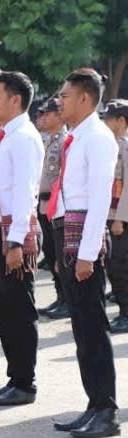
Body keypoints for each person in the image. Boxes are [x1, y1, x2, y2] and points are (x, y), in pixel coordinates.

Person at [48, 68, 120, 438]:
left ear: (85, 99)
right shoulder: (75, 137)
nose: (59, 101)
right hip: (68, 235)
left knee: (93, 326)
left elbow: (97, 201)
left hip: (83, 238)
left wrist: (88, 253)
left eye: (64, 95)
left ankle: (106, 411)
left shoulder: (98, 138)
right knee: (81, 327)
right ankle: (93, 403)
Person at [0, 70, 43, 406]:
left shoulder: (24, 137)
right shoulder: (6, 136)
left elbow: (24, 194)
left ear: (16, 100)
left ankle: (25, 384)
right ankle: (14, 378)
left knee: (18, 310)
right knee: (3, 310)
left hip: (12, 234)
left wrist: (16, 242)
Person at [36, 98, 70, 319]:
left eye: (48, 114)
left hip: (58, 205)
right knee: (50, 252)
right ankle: (60, 296)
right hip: (43, 204)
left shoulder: (64, 140)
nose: (44, 118)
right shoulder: (46, 140)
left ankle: (67, 300)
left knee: (60, 255)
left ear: (59, 115)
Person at [101, 99, 128, 333]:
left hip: (122, 219)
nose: (105, 122)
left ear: (121, 120)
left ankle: (126, 314)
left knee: (120, 267)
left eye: (109, 118)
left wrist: (120, 218)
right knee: (114, 265)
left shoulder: (126, 146)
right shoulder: (114, 144)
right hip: (111, 214)